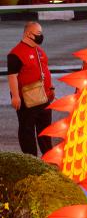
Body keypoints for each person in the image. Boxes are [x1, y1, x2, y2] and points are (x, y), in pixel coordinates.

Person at [7, 22, 54, 156]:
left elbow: (45, 70)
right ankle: (31, 159)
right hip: (26, 99)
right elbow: (12, 76)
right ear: (28, 34)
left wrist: (51, 88)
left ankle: (49, 158)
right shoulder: (15, 54)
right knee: (27, 130)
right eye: (38, 33)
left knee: (45, 130)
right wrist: (15, 96)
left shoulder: (39, 50)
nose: (41, 36)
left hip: (44, 97)